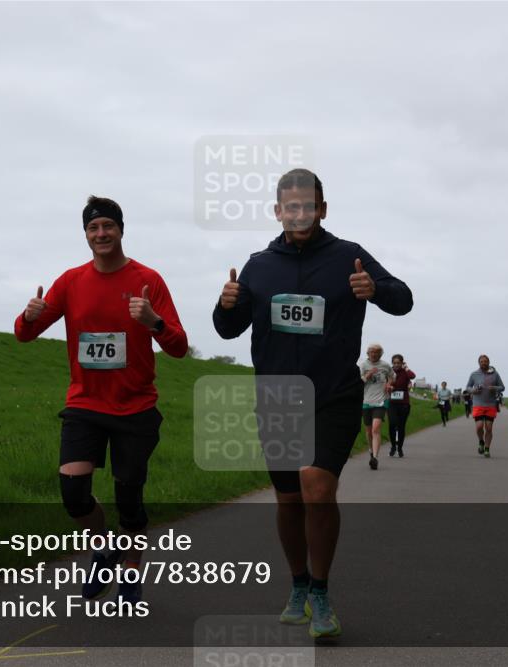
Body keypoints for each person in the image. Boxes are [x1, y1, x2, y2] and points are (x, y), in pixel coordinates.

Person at [213, 168, 412, 639]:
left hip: (334, 396)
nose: (299, 213)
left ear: (322, 209)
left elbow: (403, 299)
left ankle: (321, 592)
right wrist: (226, 304)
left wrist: (375, 290)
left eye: (309, 205)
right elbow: (227, 330)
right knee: (287, 499)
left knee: (316, 487)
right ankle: (298, 582)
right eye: (290, 206)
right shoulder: (259, 265)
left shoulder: (349, 257)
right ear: (278, 211)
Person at [15, 195, 189, 604]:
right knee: (73, 493)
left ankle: (130, 571)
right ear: (85, 235)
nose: (101, 234)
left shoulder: (149, 280)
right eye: (93, 228)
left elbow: (179, 346)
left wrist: (153, 321)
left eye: (108, 226)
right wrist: (30, 313)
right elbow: (24, 334)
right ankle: (104, 548)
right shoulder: (72, 281)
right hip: (86, 404)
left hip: (136, 406)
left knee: (129, 495)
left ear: (121, 230)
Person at [359, 343, 392, 469]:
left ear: (380, 354)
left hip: (381, 401)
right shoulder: (363, 366)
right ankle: (371, 451)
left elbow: (391, 377)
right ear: (368, 354)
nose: (374, 354)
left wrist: (388, 384)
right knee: (368, 432)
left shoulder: (385, 365)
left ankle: (375, 458)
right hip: (366, 401)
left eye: (377, 353)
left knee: (375, 429)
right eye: (372, 352)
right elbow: (358, 383)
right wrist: (367, 375)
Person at [465, 355, 505, 458]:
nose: (483, 363)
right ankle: (481, 441)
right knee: (479, 427)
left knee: (489, 428)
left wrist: (495, 388)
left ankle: (487, 449)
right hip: (478, 404)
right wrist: (473, 390)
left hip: (490, 405)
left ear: (488, 362)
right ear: (479, 363)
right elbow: (468, 387)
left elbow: (502, 387)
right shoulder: (474, 374)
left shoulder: (495, 374)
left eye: (485, 361)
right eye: (482, 361)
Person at [385, 354, 416, 456]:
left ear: (402, 363)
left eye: (398, 363)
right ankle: (393, 446)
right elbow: (385, 384)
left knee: (401, 426)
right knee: (392, 424)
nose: (396, 365)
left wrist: (406, 368)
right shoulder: (389, 372)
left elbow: (412, 376)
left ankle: (400, 448)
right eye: (394, 363)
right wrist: (389, 387)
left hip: (404, 403)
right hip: (392, 403)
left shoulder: (405, 372)